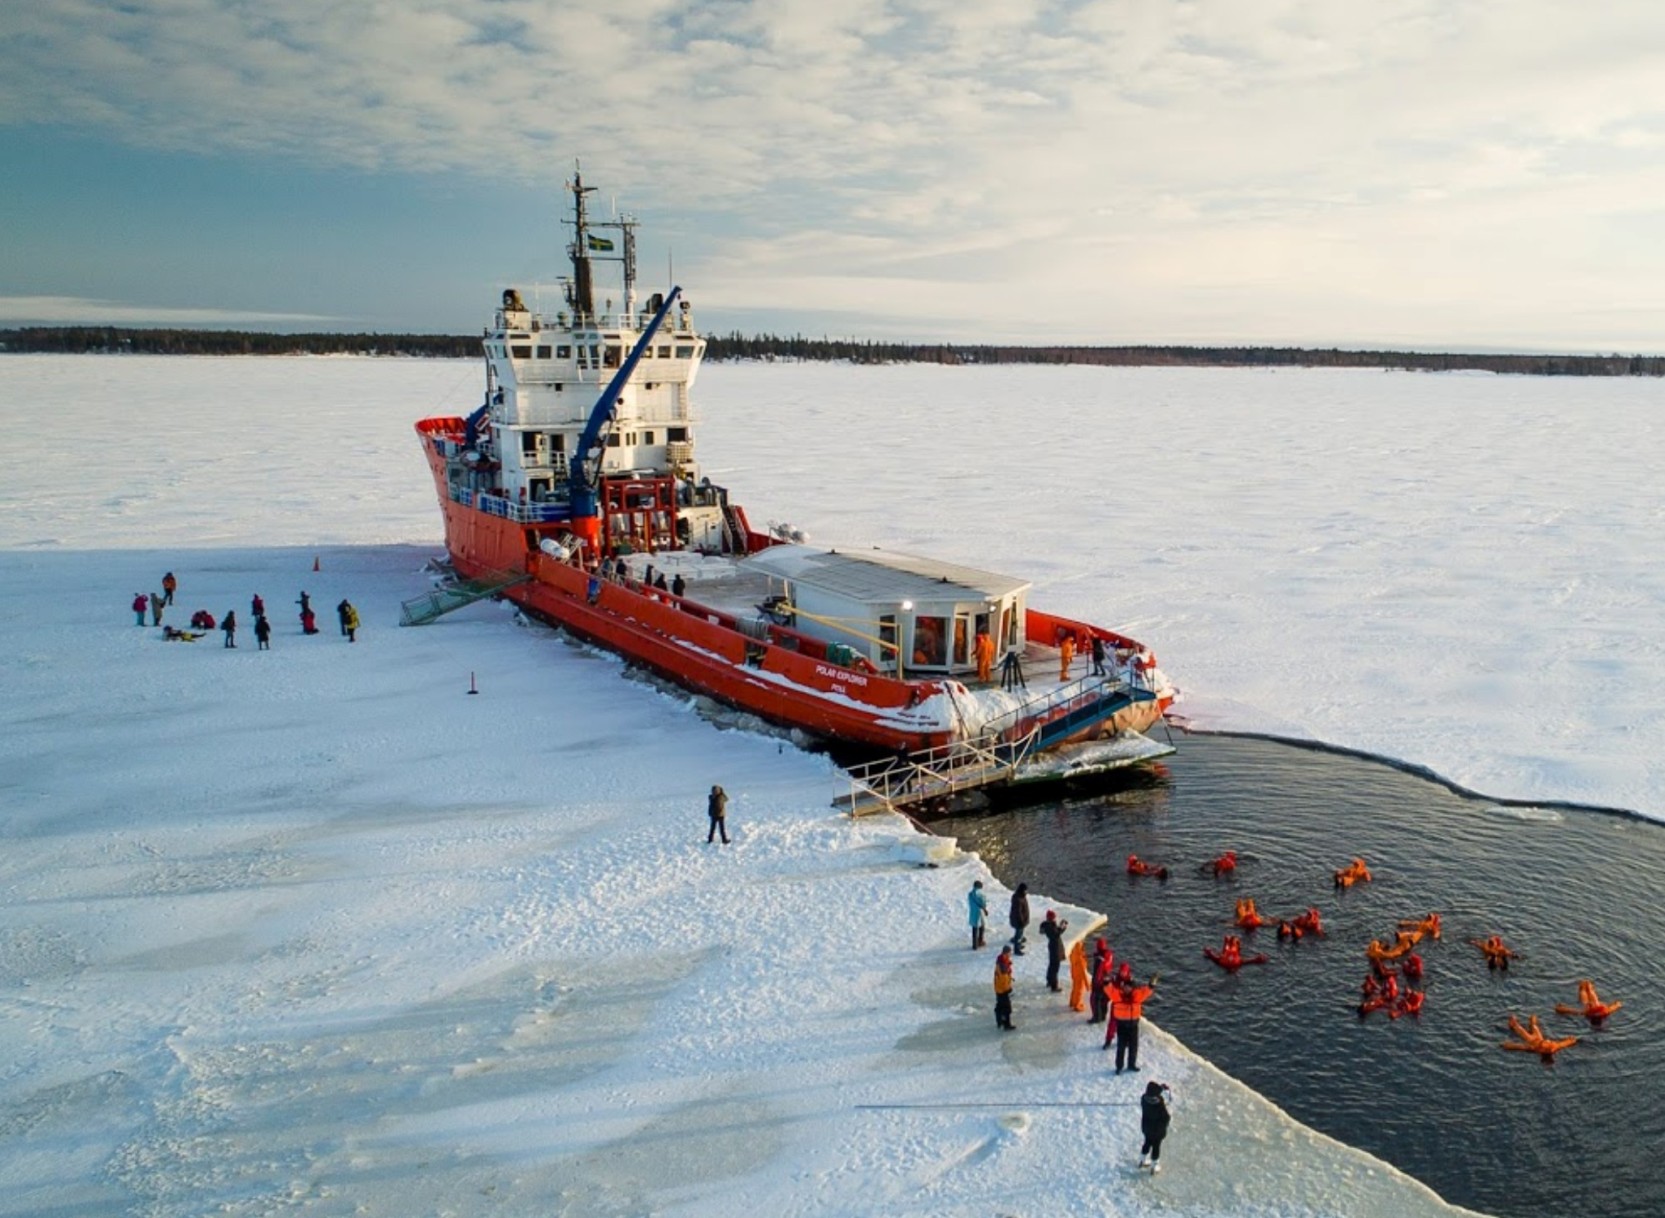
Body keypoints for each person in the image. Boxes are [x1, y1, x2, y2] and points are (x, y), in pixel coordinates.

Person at [1112, 975, 1157, 1074]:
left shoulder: (1137, 996)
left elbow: (1146, 991)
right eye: (1126, 987)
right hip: (1122, 1026)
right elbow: (1108, 990)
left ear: (1132, 988)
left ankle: (1131, 1065)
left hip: (1133, 1026)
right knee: (1121, 1047)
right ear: (1123, 987)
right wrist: (1106, 981)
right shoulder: (1117, 995)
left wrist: (1152, 984)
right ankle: (1119, 1067)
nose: (1127, 989)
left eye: (1129, 987)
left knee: (1133, 1047)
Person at [1138, 1081, 1172, 1173]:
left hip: (1146, 1128)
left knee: (1147, 1142)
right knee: (1156, 1146)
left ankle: (1142, 1160)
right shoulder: (1158, 1105)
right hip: (1157, 1131)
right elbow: (1166, 1117)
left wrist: (1161, 1088)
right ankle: (1154, 1166)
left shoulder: (1143, 1099)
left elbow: (1154, 1091)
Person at [1038, 910, 1068, 992]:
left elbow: (1056, 931)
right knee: (1055, 968)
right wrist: (1063, 927)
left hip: (1053, 948)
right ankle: (1054, 986)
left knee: (1052, 965)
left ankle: (1049, 981)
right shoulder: (1050, 927)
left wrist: (1061, 927)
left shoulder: (1048, 925)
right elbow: (1056, 934)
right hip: (1055, 949)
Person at [1089, 938, 1115, 1024]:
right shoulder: (1108, 955)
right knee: (1104, 1000)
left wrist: (1095, 982)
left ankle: (1097, 1017)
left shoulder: (1100, 960)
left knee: (1096, 1000)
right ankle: (1103, 1016)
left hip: (1099, 982)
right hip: (1106, 981)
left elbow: (1098, 972)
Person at [993, 946, 1016, 1031]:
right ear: (1006, 953)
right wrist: (1008, 989)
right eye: (1009, 953)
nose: (1010, 955)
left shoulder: (1002, 962)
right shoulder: (1003, 965)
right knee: (1006, 1008)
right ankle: (1006, 1024)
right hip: (1002, 990)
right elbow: (1003, 979)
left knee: (1000, 1006)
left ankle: (1000, 1021)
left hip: (999, 989)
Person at [1008, 882, 1031, 955]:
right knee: (1019, 933)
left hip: (1021, 919)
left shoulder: (1021, 896)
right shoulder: (1018, 899)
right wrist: (1022, 921)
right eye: (1025, 890)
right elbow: (1018, 912)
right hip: (1019, 921)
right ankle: (1016, 949)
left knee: (1020, 932)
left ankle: (1018, 942)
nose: (1026, 892)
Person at [1067, 937, 1090, 1012]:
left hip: (1074, 974)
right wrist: (1087, 985)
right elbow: (1083, 972)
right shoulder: (1080, 958)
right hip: (1079, 976)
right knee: (1079, 991)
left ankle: (1072, 1002)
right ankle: (1077, 1005)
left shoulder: (1074, 954)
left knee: (1075, 989)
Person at [968, 880, 988, 950]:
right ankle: (980, 941)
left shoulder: (970, 894)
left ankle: (974, 944)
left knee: (974, 928)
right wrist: (985, 909)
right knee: (982, 926)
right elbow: (983, 903)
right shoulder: (980, 894)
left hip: (973, 912)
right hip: (980, 912)